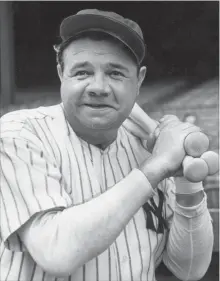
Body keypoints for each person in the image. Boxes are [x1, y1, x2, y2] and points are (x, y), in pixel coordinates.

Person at [0, 9, 214, 281]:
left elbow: (189, 269)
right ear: (60, 74)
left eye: (115, 73)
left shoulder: (149, 146)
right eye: (82, 72)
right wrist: (156, 166)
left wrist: (187, 182)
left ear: (139, 81)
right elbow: (56, 251)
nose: (98, 87)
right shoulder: (19, 133)